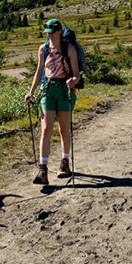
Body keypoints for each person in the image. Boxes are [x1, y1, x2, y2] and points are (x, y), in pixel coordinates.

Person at [24, 18, 80, 185]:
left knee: (63, 129)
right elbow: (39, 71)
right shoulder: (43, 49)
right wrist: (31, 92)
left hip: (64, 90)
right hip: (47, 90)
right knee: (46, 128)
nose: (49, 36)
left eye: (51, 33)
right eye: (47, 33)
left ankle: (65, 162)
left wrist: (73, 81)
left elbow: (76, 73)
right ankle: (43, 170)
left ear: (59, 32)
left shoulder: (69, 48)